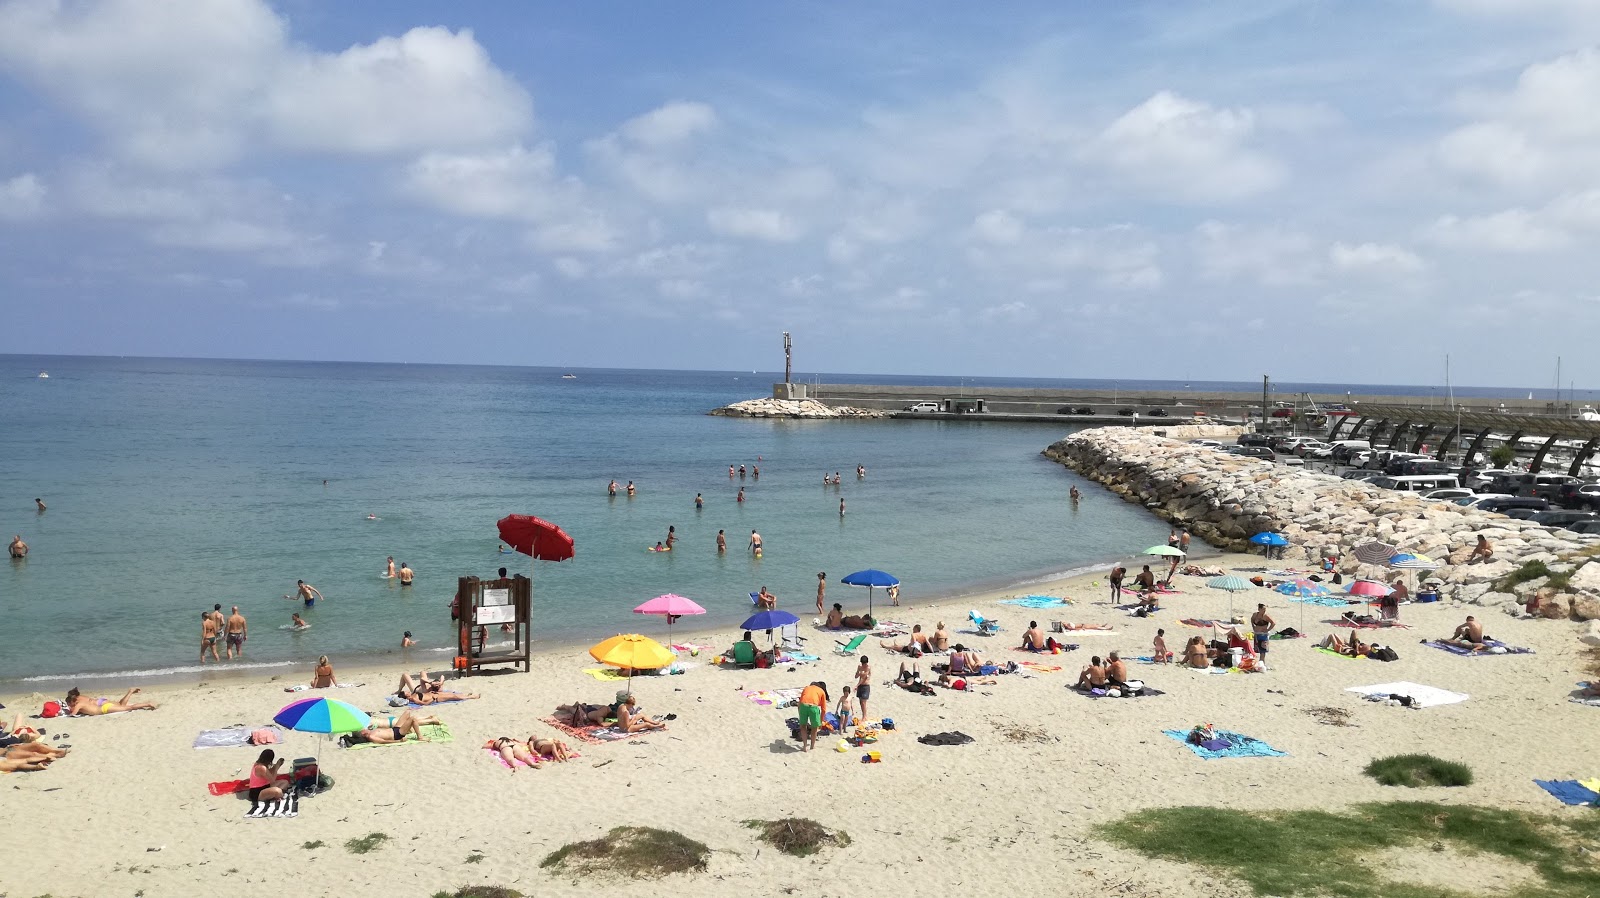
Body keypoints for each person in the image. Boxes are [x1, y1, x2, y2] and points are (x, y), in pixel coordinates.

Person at [342, 710, 440, 746]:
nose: (364, 728)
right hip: (397, 734)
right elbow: (383, 741)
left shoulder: (371, 731)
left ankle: (428, 720)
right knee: (413, 719)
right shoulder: (371, 737)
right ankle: (420, 737)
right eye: (362, 729)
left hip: (395, 729)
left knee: (407, 712)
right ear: (363, 733)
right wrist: (399, 741)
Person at [65, 687, 156, 715]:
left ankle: (147, 704)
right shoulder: (81, 698)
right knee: (122, 704)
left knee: (127, 707)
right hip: (101, 704)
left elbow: (72, 715)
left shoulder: (78, 704)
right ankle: (131, 692)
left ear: (72, 700)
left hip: (103, 708)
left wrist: (70, 709)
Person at [797, 681, 828, 752]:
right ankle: (812, 746)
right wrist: (821, 721)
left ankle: (805, 746)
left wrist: (800, 713)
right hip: (813, 707)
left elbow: (799, 704)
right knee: (814, 728)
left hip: (803, 706)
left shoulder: (806, 688)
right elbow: (823, 709)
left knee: (803, 726)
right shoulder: (821, 691)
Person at [855, 656, 872, 721]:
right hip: (860, 686)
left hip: (866, 686)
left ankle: (865, 716)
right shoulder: (859, 667)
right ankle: (863, 715)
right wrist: (858, 673)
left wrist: (856, 685)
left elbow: (864, 678)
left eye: (864, 664)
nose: (863, 665)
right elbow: (856, 676)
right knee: (860, 701)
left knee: (863, 702)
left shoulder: (868, 668)